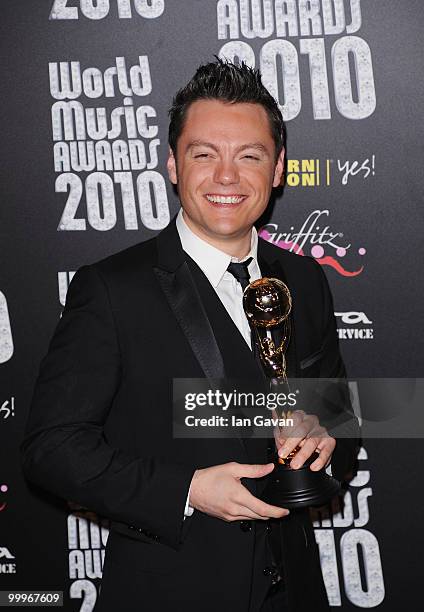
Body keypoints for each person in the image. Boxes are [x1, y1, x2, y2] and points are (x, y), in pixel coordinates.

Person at [21, 59, 359, 612]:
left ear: (277, 171)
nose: (227, 177)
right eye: (205, 155)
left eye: (249, 156)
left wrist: (327, 443)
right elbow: (50, 449)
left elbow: (340, 422)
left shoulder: (304, 279)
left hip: (295, 591)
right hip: (170, 588)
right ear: (173, 167)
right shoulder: (111, 289)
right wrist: (185, 490)